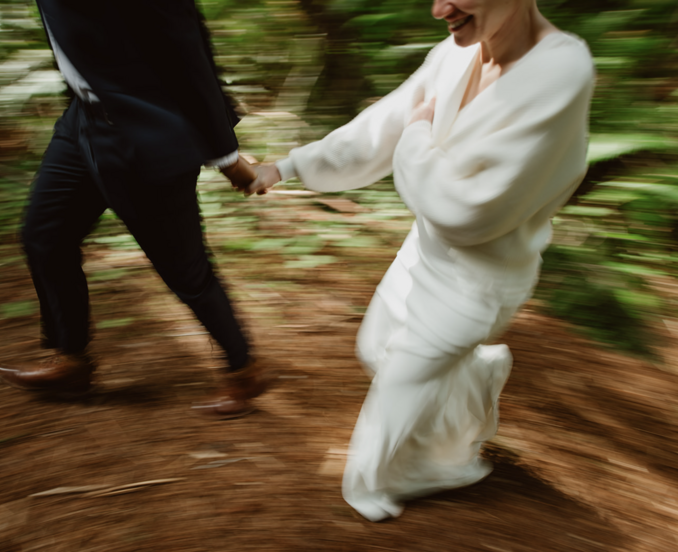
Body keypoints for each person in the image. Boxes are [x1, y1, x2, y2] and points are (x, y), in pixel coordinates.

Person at [250, 0, 594, 521]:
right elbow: (384, 124)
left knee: (390, 414)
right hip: (424, 252)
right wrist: (287, 166)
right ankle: (475, 376)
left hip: (482, 278)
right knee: (373, 349)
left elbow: (468, 212)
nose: (439, 9)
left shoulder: (561, 73)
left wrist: (416, 137)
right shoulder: (458, 53)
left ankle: (403, 480)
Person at [0, 0, 270, 419]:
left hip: (146, 133)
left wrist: (225, 156)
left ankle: (244, 368)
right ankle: (71, 360)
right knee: (44, 237)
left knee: (185, 271)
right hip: (81, 124)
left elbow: (189, 54)